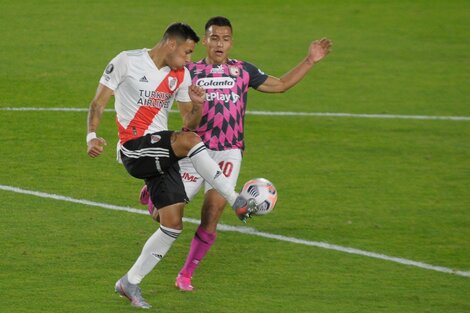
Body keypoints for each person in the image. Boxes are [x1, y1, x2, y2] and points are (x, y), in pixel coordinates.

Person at [140, 16, 332, 292]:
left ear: (231, 42)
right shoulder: (189, 72)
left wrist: (310, 60)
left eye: (226, 38)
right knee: (164, 216)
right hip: (195, 152)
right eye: (214, 38)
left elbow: (279, 85)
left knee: (214, 209)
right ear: (205, 41)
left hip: (229, 153)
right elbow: (181, 115)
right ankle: (152, 193)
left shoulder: (242, 71)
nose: (220, 44)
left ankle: (186, 274)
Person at [86, 22, 255, 309]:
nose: (191, 59)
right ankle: (234, 197)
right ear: (171, 45)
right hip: (134, 148)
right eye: (188, 52)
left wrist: (199, 106)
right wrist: (92, 135)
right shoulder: (127, 60)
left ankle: (130, 282)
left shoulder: (181, 75)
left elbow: (189, 123)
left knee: (172, 225)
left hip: (159, 152)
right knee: (189, 142)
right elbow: (99, 103)